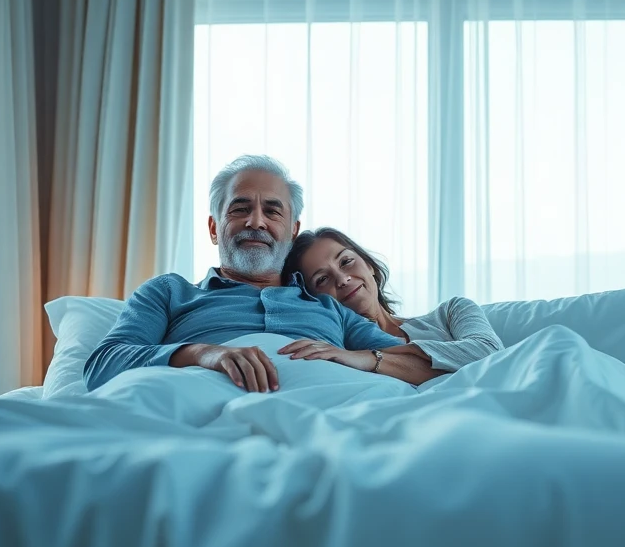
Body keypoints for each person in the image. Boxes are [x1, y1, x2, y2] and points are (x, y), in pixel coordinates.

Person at [83, 155, 442, 393]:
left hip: (331, 420)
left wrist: (361, 357)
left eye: (273, 212)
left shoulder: (329, 309)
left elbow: (429, 367)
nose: (256, 221)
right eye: (240, 209)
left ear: (292, 231)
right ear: (214, 228)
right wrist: (204, 354)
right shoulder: (169, 292)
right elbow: (101, 366)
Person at [281, 228, 503, 372]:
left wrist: (370, 357)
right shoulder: (336, 353)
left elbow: (490, 354)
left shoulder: (452, 311)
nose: (342, 279)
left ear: (369, 265)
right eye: (322, 279)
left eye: (346, 261)